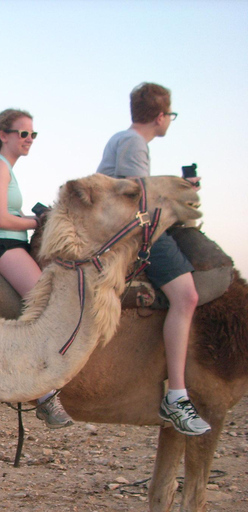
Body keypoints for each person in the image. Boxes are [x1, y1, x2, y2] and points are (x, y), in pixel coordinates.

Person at [96, 82, 210, 436]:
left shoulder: (124, 139)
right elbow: (138, 199)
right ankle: (176, 395)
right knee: (187, 296)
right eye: (170, 115)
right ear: (161, 116)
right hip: (134, 232)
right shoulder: (132, 143)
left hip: (123, 227)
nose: (169, 121)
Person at [0, 109, 73, 429]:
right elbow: (1, 219)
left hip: (15, 243)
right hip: (3, 244)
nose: (29, 140)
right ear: (5, 135)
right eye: (23, 134)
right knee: (46, 303)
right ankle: (41, 392)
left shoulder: (6, 169)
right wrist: (39, 220)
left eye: (32, 135)